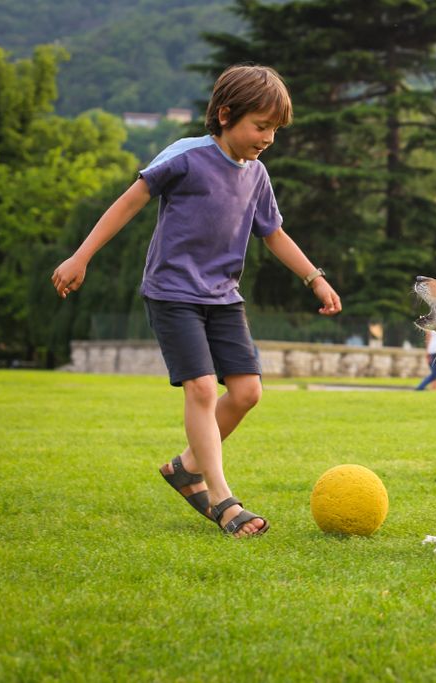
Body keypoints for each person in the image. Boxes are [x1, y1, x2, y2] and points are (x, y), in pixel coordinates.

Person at [51, 65, 341, 537]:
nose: (268, 138)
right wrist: (80, 257)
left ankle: (185, 467)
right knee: (204, 389)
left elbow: (274, 234)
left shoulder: (257, 174)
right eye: (260, 126)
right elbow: (129, 201)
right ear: (226, 115)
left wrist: (315, 278)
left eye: (274, 130)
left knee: (247, 392)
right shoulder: (186, 156)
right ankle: (222, 499)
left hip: (223, 297)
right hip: (172, 293)